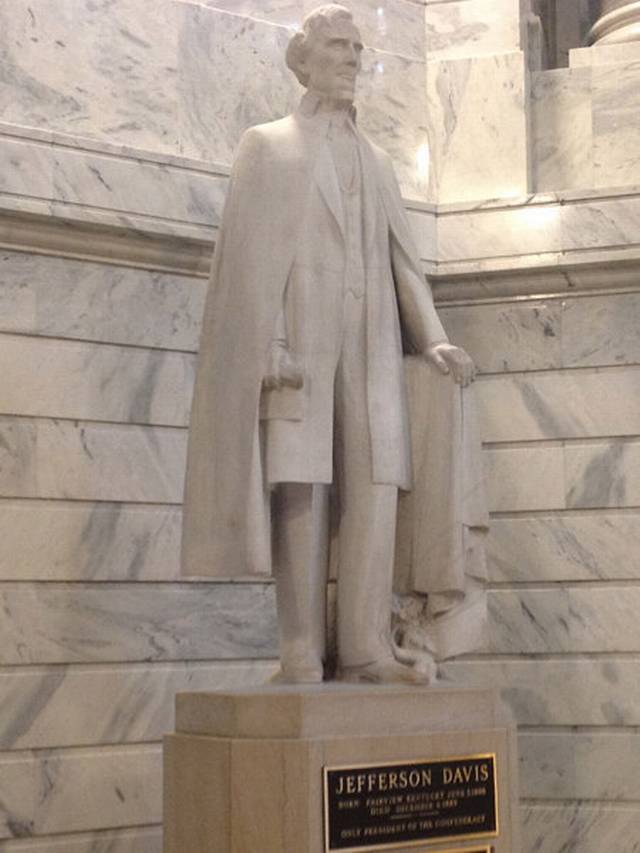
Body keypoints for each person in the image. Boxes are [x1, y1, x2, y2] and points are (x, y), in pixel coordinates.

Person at [182, 4, 476, 685]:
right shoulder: (268, 145)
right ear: (303, 60)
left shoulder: (375, 161)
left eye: (357, 47)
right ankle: (300, 647)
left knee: (375, 483)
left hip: (371, 343)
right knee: (303, 485)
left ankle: (367, 645)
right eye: (338, 46)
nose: (351, 58)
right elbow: (251, 260)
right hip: (302, 346)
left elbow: (405, 260)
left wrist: (430, 339)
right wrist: (269, 343)